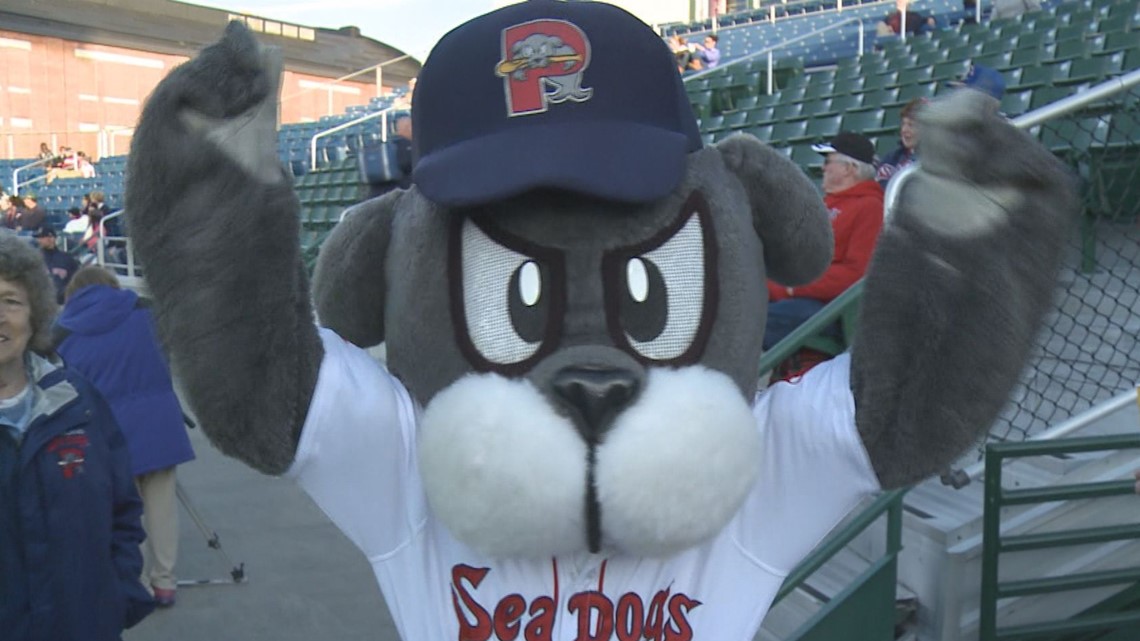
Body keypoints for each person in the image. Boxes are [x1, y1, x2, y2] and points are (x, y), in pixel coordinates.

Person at [0, 234, 154, 640]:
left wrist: (115, 595)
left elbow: (123, 509)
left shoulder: (78, 402)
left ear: (35, 313)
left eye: (11, 301)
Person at [54, 266, 196, 608]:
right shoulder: (146, 311)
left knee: (124, 513)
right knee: (161, 509)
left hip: (109, 437)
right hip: (159, 425)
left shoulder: (63, 332)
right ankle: (165, 583)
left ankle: (136, 583)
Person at [765, 132, 884, 351]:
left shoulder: (870, 207)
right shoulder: (825, 205)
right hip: (803, 299)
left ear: (849, 168)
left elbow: (858, 274)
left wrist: (793, 286)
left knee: (750, 319)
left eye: (828, 161)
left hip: (835, 309)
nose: (822, 168)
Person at [877, 97, 926, 188]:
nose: (904, 130)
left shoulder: (934, 160)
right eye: (903, 124)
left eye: (911, 125)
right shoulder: (892, 158)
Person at [33, 225, 79, 304]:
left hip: (62, 302)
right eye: (39, 238)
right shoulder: (34, 257)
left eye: (42, 237)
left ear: (51, 238)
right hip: (40, 303)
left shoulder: (67, 259)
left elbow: (75, 279)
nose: (39, 240)